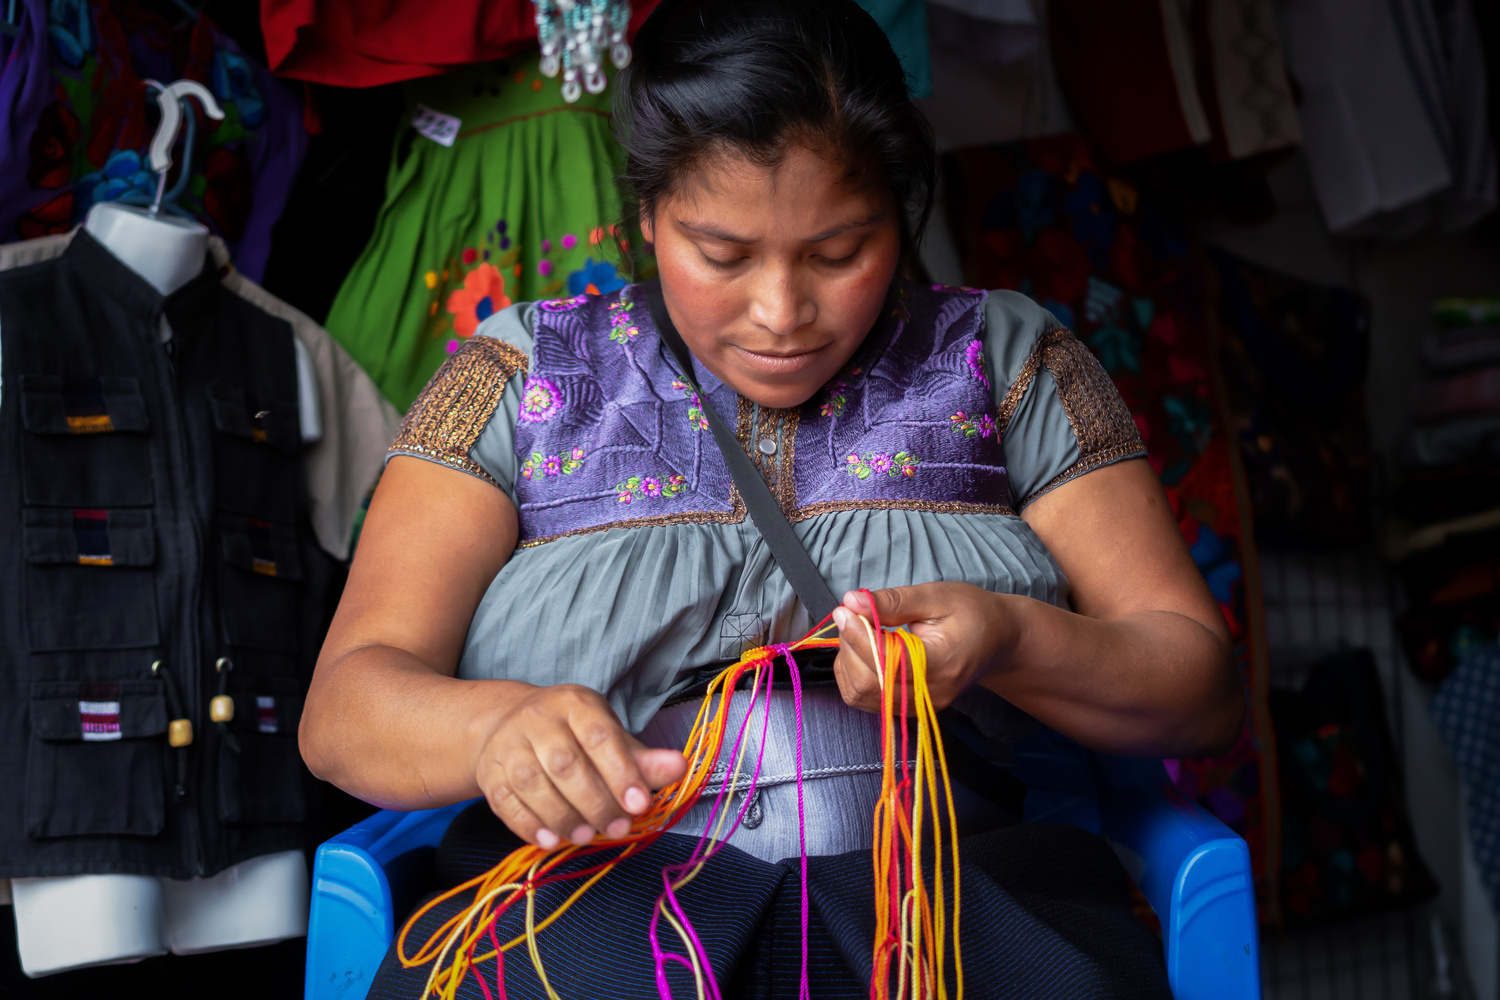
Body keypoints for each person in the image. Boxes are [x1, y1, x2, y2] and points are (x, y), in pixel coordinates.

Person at [300, 0, 1244, 995]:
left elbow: (1200, 690)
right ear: (651, 213)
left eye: (841, 252)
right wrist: (494, 731)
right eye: (724, 254)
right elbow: (347, 704)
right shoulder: (518, 376)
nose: (783, 312)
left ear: (900, 205)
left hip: (938, 912)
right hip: (583, 912)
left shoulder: (1003, 361)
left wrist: (1011, 637)